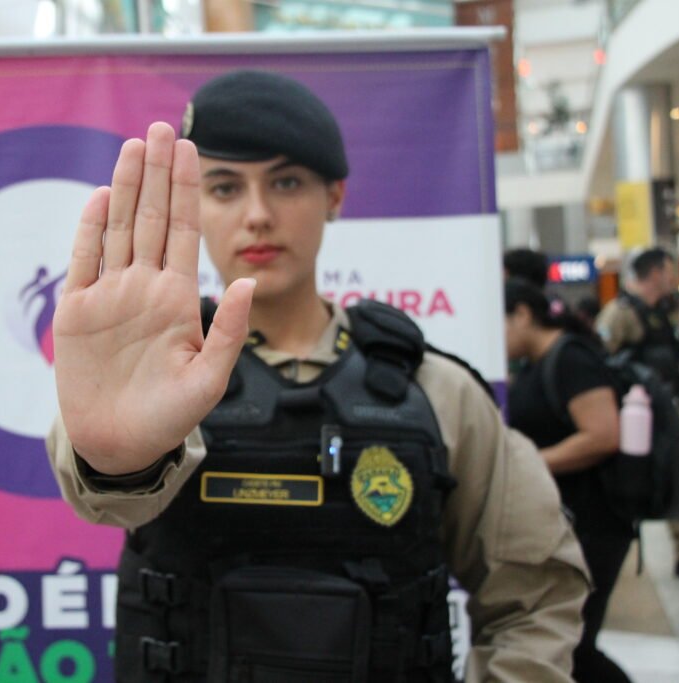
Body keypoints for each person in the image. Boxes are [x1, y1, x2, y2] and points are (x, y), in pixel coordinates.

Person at [48, 70, 589, 682]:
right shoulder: (153, 379)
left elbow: (537, 593)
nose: (257, 215)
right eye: (224, 188)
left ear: (334, 196)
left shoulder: (435, 393)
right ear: (195, 204)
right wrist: (119, 459)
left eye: (286, 182)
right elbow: (104, 496)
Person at [504, 278, 633, 683]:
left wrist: (529, 463)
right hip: (568, 522)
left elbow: (603, 435)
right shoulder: (536, 365)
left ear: (523, 314)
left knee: (574, 644)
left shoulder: (571, 358)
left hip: (595, 524)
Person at [596, 248, 679, 582]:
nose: (673, 277)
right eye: (668, 270)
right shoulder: (619, 314)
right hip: (637, 421)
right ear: (653, 274)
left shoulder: (666, 312)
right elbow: (600, 363)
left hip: (670, 411)